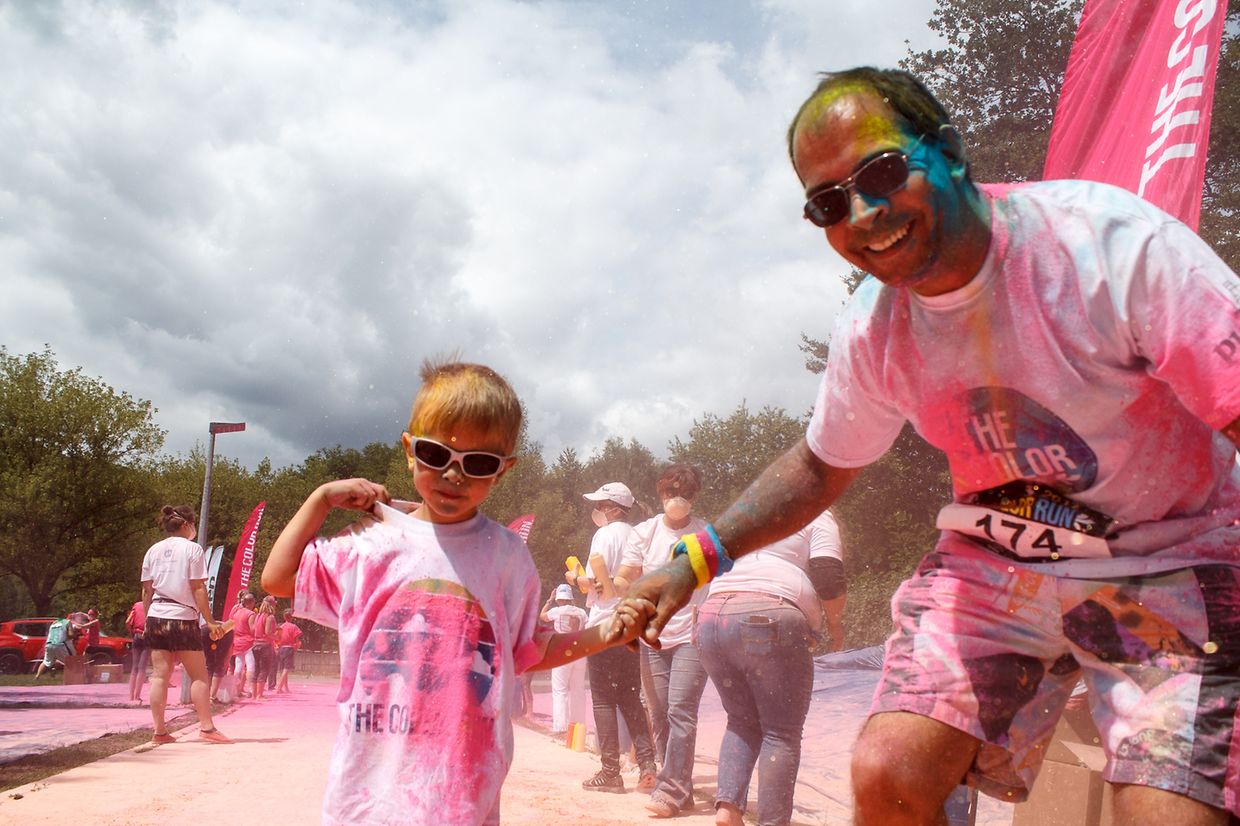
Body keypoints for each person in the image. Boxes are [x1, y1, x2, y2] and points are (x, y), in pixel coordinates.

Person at [619, 66, 1240, 826]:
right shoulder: (876, 328)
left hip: (1169, 557)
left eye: (881, 171)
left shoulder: (1112, 249)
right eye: (828, 204)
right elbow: (821, 464)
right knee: (890, 774)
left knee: (1170, 814)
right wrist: (694, 558)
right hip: (998, 564)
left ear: (947, 148)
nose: (863, 212)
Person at [260, 359, 648, 825]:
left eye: (478, 463)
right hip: (367, 797)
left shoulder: (507, 558)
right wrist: (321, 498)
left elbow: (529, 649)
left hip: (463, 795)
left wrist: (606, 634)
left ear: (503, 471)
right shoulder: (370, 545)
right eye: (435, 454)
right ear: (409, 449)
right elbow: (277, 579)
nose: (453, 475)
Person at [695, 511, 838, 826]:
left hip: (711, 618)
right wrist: (837, 630)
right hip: (766, 615)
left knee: (740, 720)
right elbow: (829, 576)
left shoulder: (757, 511)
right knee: (781, 731)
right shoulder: (819, 514)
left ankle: (728, 808)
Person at [613, 464, 710, 818]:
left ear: (695, 497)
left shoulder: (705, 535)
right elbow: (626, 575)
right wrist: (616, 587)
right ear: (660, 495)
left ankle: (669, 790)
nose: (677, 500)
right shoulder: (644, 532)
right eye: (671, 493)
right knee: (660, 713)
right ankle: (679, 790)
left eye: (685, 494)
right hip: (653, 635)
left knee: (681, 711)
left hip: (692, 635)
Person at [569, 481, 658, 794]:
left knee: (604, 699)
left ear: (611, 507)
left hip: (605, 623)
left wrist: (575, 579)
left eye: (600, 504)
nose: (597, 510)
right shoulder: (638, 536)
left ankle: (610, 772)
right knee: (631, 697)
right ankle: (647, 765)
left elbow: (597, 583)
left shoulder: (604, 535)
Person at [140, 505, 231, 744]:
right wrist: (210, 621)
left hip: (157, 615)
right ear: (186, 524)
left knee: (160, 676)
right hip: (182, 616)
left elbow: (146, 590)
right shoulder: (193, 549)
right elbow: (198, 587)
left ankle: (159, 732)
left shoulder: (153, 550)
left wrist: (150, 620)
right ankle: (207, 728)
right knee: (198, 675)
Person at [539, 583, 589, 735]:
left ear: (559, 598)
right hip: (579, 652)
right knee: (578, 690)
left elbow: (542, 616)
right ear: (571, 598)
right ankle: (578, 725)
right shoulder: (581, 612)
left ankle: (560, 727)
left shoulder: (556, 611)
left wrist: (549, 600)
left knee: (560, 691)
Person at [805, 509, 846, 653]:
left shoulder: (758, 512)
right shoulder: (817, 514)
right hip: (777, 613)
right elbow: (828, 580)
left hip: (731, 612)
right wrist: (834, 625)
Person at [249, 595, 277, 701]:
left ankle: (254, 694)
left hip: (255, 644)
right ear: (272, 605)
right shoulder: (270, 617)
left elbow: (255, 630)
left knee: (256, 669)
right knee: (264, 669)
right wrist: (276, 637)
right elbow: (268, 632)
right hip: (265, 645)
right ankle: (259, 695)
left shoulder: (258, 616)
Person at [228, 590, 256, 696]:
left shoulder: (236, 612)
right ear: (250, 602)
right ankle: (251, 689)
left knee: (238, 666)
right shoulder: (250, 613)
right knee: (250, 665)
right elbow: (252, 629)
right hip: (247, 642)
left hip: (237, 641)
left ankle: (235, 689)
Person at [33, 613, 77, 680]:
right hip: (60, 645)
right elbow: (70, 635)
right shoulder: (67, 622)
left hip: (49, 644)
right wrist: (75, 634)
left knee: (45, 661)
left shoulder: (53, 623)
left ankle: (37, 676)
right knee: (71, 660)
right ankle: (75, 677)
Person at [125, 597, 149, 702]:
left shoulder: (137, 605)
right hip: (146, 636)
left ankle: (130, 696)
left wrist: (132, 632)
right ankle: (137, 696)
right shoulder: (152, 605)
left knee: (134, 667)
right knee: (142, 668)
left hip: (136, 635)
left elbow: (128, 621)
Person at [275, 608, 302, 694]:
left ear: (284, 617)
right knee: (286, 668)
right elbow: (297, 639)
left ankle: (285, 687)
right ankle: (279, 687)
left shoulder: (281, 627)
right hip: (289, 648)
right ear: (291, 617)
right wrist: (297, 645)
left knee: (282, 668)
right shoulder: (294, 627)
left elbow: (277, 638)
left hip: (281, 648)